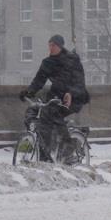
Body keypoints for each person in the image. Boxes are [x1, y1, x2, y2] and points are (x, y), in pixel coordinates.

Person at [19, 34, 90, 163]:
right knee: (33, 112)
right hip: (56, 96)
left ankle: (68, 152)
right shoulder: (47, 62)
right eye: (49, 45)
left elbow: (80, 81)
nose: (50, 48)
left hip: (75, 97)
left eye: (53, 45)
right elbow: (39, 80)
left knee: (52, 113)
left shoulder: (72, 59)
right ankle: (44, 153)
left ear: (60, 46)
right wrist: (28, 92)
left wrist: (71, 93)